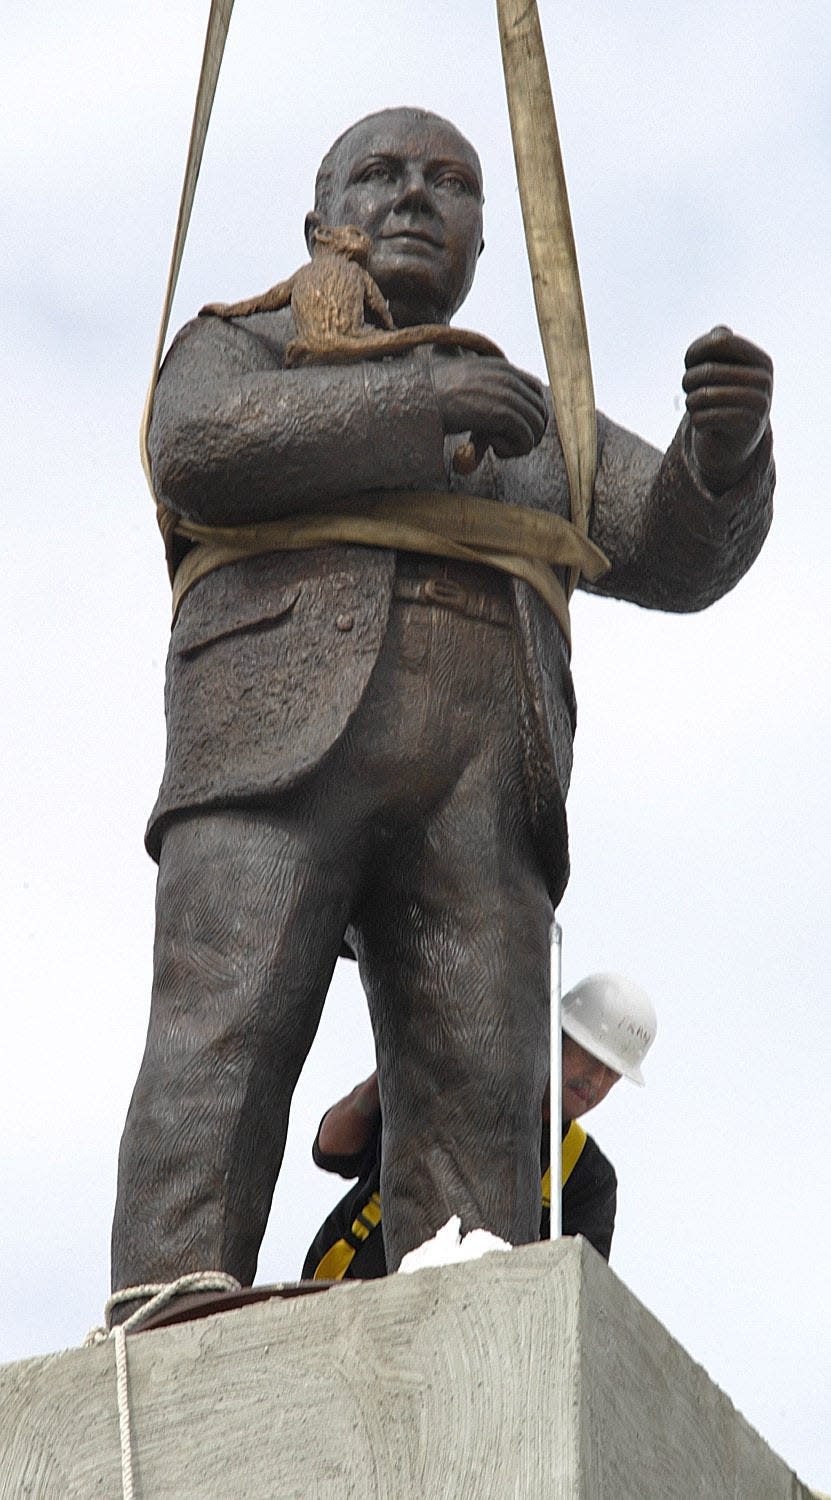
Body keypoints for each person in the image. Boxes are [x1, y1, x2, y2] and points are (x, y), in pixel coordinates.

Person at [111, 106, 774, 1301]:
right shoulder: (245, 342)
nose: (417, 196)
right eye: (382, 173)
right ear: (325, 217)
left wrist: (722, 460)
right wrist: (418, 412)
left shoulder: (530, 413)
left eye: (451, 183)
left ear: (479, 242)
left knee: (479, 1076)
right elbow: (197, 445)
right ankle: (169, 1303)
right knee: (225, 1034)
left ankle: (464, 1317)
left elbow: (670, 551)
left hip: (485, 776)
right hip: (272, 741)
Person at [303, 974, 656, 1278]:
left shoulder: (585, 1175)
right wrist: (395, 1069)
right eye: (590, 1056)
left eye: (612, 1072)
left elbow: (575, 1290)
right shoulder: (456, 1088)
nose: (596, 1080)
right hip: (339, 1294)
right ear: (554, 1034)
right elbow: (331, 1151)